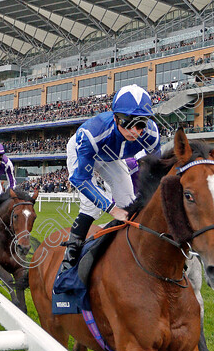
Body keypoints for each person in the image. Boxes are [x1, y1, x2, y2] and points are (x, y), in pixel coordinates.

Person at [59, 84, 160, 272]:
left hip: (111, 156)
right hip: (85, 150)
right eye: (127, 123)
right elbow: (80, 179)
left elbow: (158, 172)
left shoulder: (152, 134)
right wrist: (112, 209)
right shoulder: (91, 134)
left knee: (128, 201)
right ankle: (71, 253)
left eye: (141, 124)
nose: (135, 132)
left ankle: (125, 248)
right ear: (115, 118)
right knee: (91, 206)